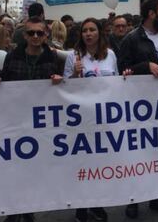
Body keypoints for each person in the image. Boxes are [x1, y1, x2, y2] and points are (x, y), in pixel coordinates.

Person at [0, 16, 64, 222]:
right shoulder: (12, 57)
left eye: (40, 33)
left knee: (33, 170)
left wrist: (58, 81)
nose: (35, 36)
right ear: (25, 35)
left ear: (46, 35)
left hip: (41, 125)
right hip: (15, 121)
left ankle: (28, 209)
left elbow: (60, 90)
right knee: (14, 169)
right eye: (31, 33)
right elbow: (4, 80)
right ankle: (14, 210)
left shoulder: (53, 58)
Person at [118, 0, 158, 219]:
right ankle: (134, 199)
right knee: (137, 153)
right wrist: (146, 66)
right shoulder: (132, 39)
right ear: (151, 14)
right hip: (138, 106)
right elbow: (122, 69)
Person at [63, 18, 116, 222]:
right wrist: (75, 74)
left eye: (92, 30)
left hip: (103, 119)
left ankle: (97, 203)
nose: (88, 34)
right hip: (81, 119)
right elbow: (64, 89)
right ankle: (81, 207)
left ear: (99, 33)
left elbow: (116, 83)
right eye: (85, 30)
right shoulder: (73, 57)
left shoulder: (110, 55)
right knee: (82, 165)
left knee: (100, 164)